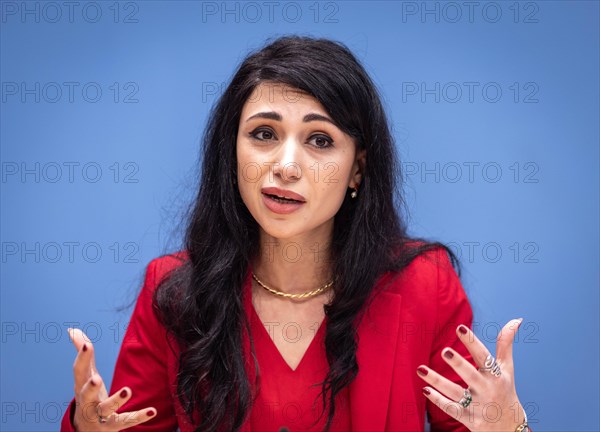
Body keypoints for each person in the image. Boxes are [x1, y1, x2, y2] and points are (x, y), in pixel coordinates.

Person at [60, 35, 529, 432]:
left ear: (357, 170)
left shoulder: (425, 285)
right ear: (233, 153)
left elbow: (473, 421)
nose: (285, 166)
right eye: (263, 134)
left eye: (319, 140)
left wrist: (513, 427)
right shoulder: (173, 291)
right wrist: (86, 427)